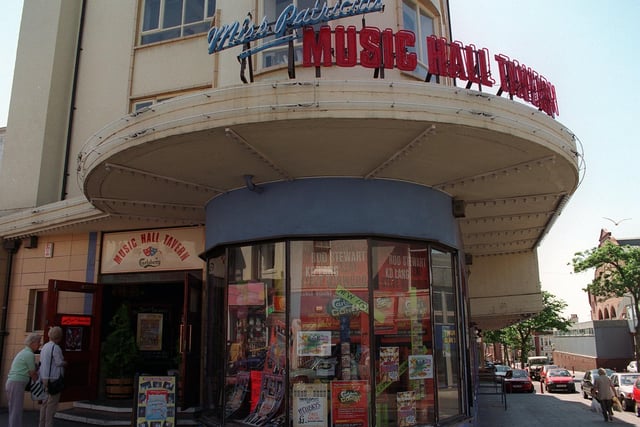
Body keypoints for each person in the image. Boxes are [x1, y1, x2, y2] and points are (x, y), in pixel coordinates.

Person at [5, 332, 41, 427]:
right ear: (32, 343)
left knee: (14, 409)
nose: (40, 345)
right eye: (38, 342)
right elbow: (32, 373)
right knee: (16, 410)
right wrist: (40, 382)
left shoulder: (24, 352)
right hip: (16, 383)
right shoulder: (29, 354)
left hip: (13, 382)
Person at [38, 326, 67, 427]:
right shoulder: (56, 348)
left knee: (44, 403)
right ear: (59, 337)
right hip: (54, 378)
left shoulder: (44, 347)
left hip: (44, 377)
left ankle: (41, 424)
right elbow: (58, 362)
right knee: (52, 405)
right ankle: (48, 425)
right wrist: (65, 363)